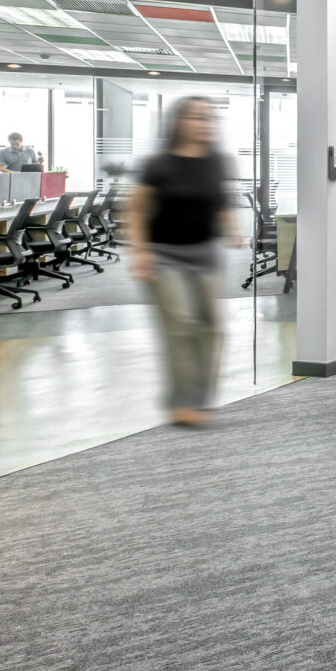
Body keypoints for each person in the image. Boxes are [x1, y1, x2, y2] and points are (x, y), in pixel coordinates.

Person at [124, 97, 246, 426]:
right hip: (165, 255)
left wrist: (233, 229)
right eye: (196, 117)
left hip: (205, 253)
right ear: (178, 122)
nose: (205, 123)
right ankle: (182, 402)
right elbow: (134, 209)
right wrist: (139, 250)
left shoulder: (218, 162)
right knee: (181, 323)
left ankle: (201, 398)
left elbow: (221, 202)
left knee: (212, 327)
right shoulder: (158, 164)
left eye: (209, 117)